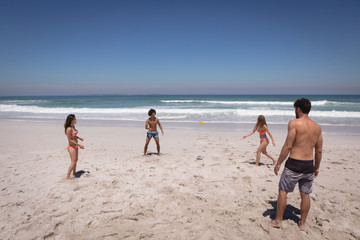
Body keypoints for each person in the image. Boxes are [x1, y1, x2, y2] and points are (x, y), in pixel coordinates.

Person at [268, 98, 323, 231]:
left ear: (298, 109)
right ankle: (302, 223)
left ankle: (278, 221)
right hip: (309, 165)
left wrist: (279, 163)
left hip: (294, 164)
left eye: (295, 109)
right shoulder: (317, 127)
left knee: (283, 191)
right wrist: (316, 167)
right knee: (305, 194)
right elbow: (319, 150)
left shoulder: (294, 123)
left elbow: (288, 145)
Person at [64, 114, 84, 180]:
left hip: (75, 145)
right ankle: (67, 177)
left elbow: (74, 136)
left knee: (76, 160)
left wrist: (79, 137)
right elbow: (70, 140)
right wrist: (79, 145)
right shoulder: (69, 129)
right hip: (71, 146)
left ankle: (74, 172)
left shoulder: (73, 126)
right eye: (74, 119)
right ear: (71, 120)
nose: (76, 120)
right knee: (73, 161)